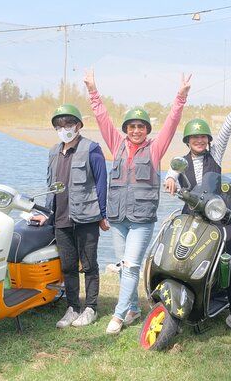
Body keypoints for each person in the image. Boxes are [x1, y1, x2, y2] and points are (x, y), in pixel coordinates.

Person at [84, 69, 191, 335]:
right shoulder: (116, 145)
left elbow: (171, 123)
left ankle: (118, 317)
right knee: (123, 268)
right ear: (126, 129)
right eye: (131, 126)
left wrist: (180, 98)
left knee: (131, 265)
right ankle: (132, 308)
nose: (135, 130)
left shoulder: (155, 148)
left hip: (142, 220)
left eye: (140, 127)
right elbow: (102, 118)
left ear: (146, 130)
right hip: (118, 218)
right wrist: (93, 91)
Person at [163, 79, 231, 334]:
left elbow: (226, 128)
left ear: (208, 139)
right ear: (187, 140)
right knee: (175, 253)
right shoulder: (180, 161)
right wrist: (170, 179)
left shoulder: (216, 154)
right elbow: (171, 172)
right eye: (195, 137)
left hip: (218, 216)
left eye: (203, 136)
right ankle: (175, 302)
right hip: (190, 215)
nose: (199, 140)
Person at [32, 104, 109, 329]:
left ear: (78, 126)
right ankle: (73, 307)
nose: (64, 129)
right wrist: (47, 214)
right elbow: (50, 186)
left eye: (68, 124)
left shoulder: (91, 149)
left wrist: (103, 215)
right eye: (59, 125)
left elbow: (101, 183)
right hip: (61, 218)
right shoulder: (53, 151)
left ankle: (91, 308)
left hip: (86, 216)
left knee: (89, 265)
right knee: (67, 266)